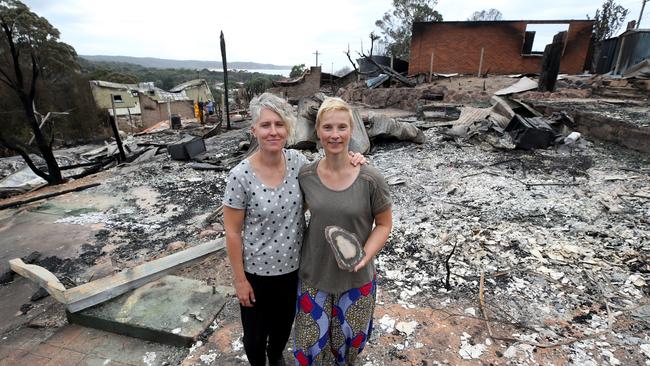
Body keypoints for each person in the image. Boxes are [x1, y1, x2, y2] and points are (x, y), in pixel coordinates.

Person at [223, 93, 366, 366]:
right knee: (254, 338)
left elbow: (330, 170)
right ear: (254, 129)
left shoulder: (299, 164)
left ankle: (276, 357)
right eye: (265, 125)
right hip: (255, 274)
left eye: (279, 124)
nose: (273, 131)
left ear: (288, 129)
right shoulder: (239, 176)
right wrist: (240, 280)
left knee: (282, 329)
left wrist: (354, 159)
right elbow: (232, 232)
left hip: (294, 271)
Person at [293, 97, 392, 366]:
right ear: (317, 132)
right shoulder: (305, 175)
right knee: (310, 347)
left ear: (351, 130)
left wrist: (365, 255)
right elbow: (290, 214)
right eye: (327, 128)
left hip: (357, 280)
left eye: (341, 127)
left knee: (348, 349)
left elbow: (384, 224)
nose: (335, 135)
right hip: (315, 277)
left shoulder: (370, 178)